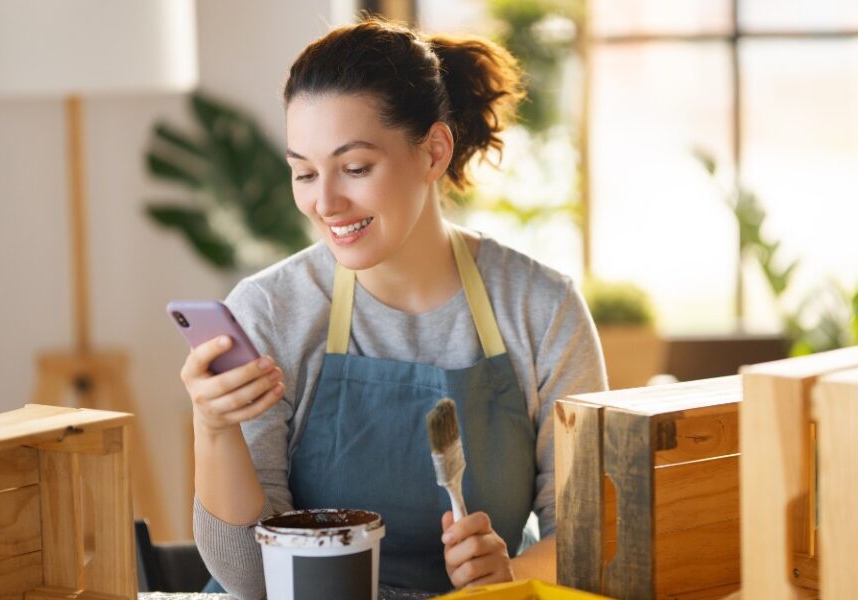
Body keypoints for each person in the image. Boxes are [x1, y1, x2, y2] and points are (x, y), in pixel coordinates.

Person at [182, 17, 606, 600]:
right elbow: (252, 581)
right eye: (304, 173)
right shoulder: (271, 312)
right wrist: (214, 430)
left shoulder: (541, 309)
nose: (325, 202)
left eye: (355, 168)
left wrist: (514, 576)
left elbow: (591, 536)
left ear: (434, 151)